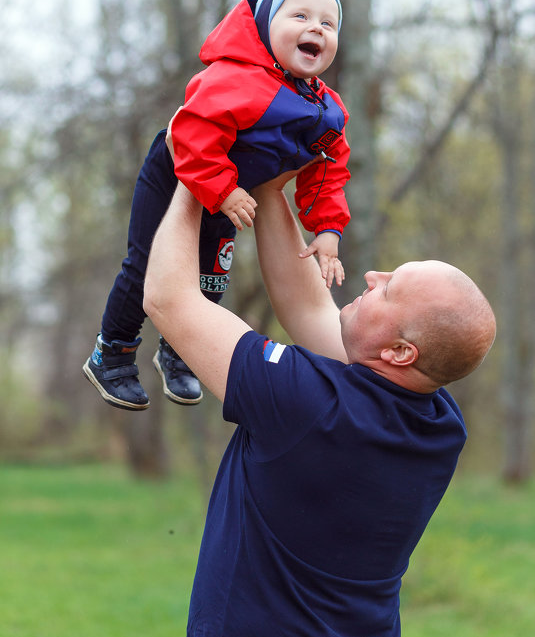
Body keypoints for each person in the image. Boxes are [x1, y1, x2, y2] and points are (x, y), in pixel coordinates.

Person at [143, 178, 496, 637]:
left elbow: (168, 299)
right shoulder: (441, 427)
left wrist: (195, 172)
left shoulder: (305, 404)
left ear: (400, 353)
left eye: (388, 289)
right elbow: (306, 306)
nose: (373, 277)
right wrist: (271, 193)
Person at [83, 0, 351, 411]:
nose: (317, 27)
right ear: (265, 26)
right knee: (148, 265)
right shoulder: (235, 78)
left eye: (329, 23)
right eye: (300, 15)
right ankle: (112, 352)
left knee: (213, 274)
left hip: (235, 194)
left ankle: (180, 350)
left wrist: (327, 228)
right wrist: (221, 189)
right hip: (180, 175)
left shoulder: (325, 110)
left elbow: (328, 169)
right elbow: (190, 132)